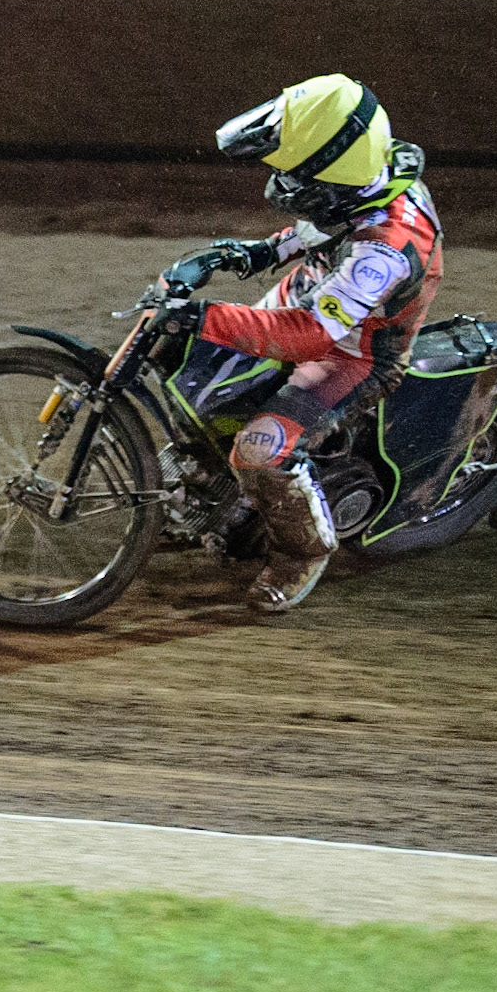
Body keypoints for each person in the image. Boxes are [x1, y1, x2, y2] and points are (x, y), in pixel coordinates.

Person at [178, 74, 442, 611]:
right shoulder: (368, 177)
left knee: (260, 450)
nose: (284, 183)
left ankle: (302, 553)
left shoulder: (384, 250)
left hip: (354, 353)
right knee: (203, 379)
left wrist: (207, 316)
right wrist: (254, 253)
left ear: (335, 175)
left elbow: (311, 337)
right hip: (309, 301)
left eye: (297, 174)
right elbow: (321, 229)